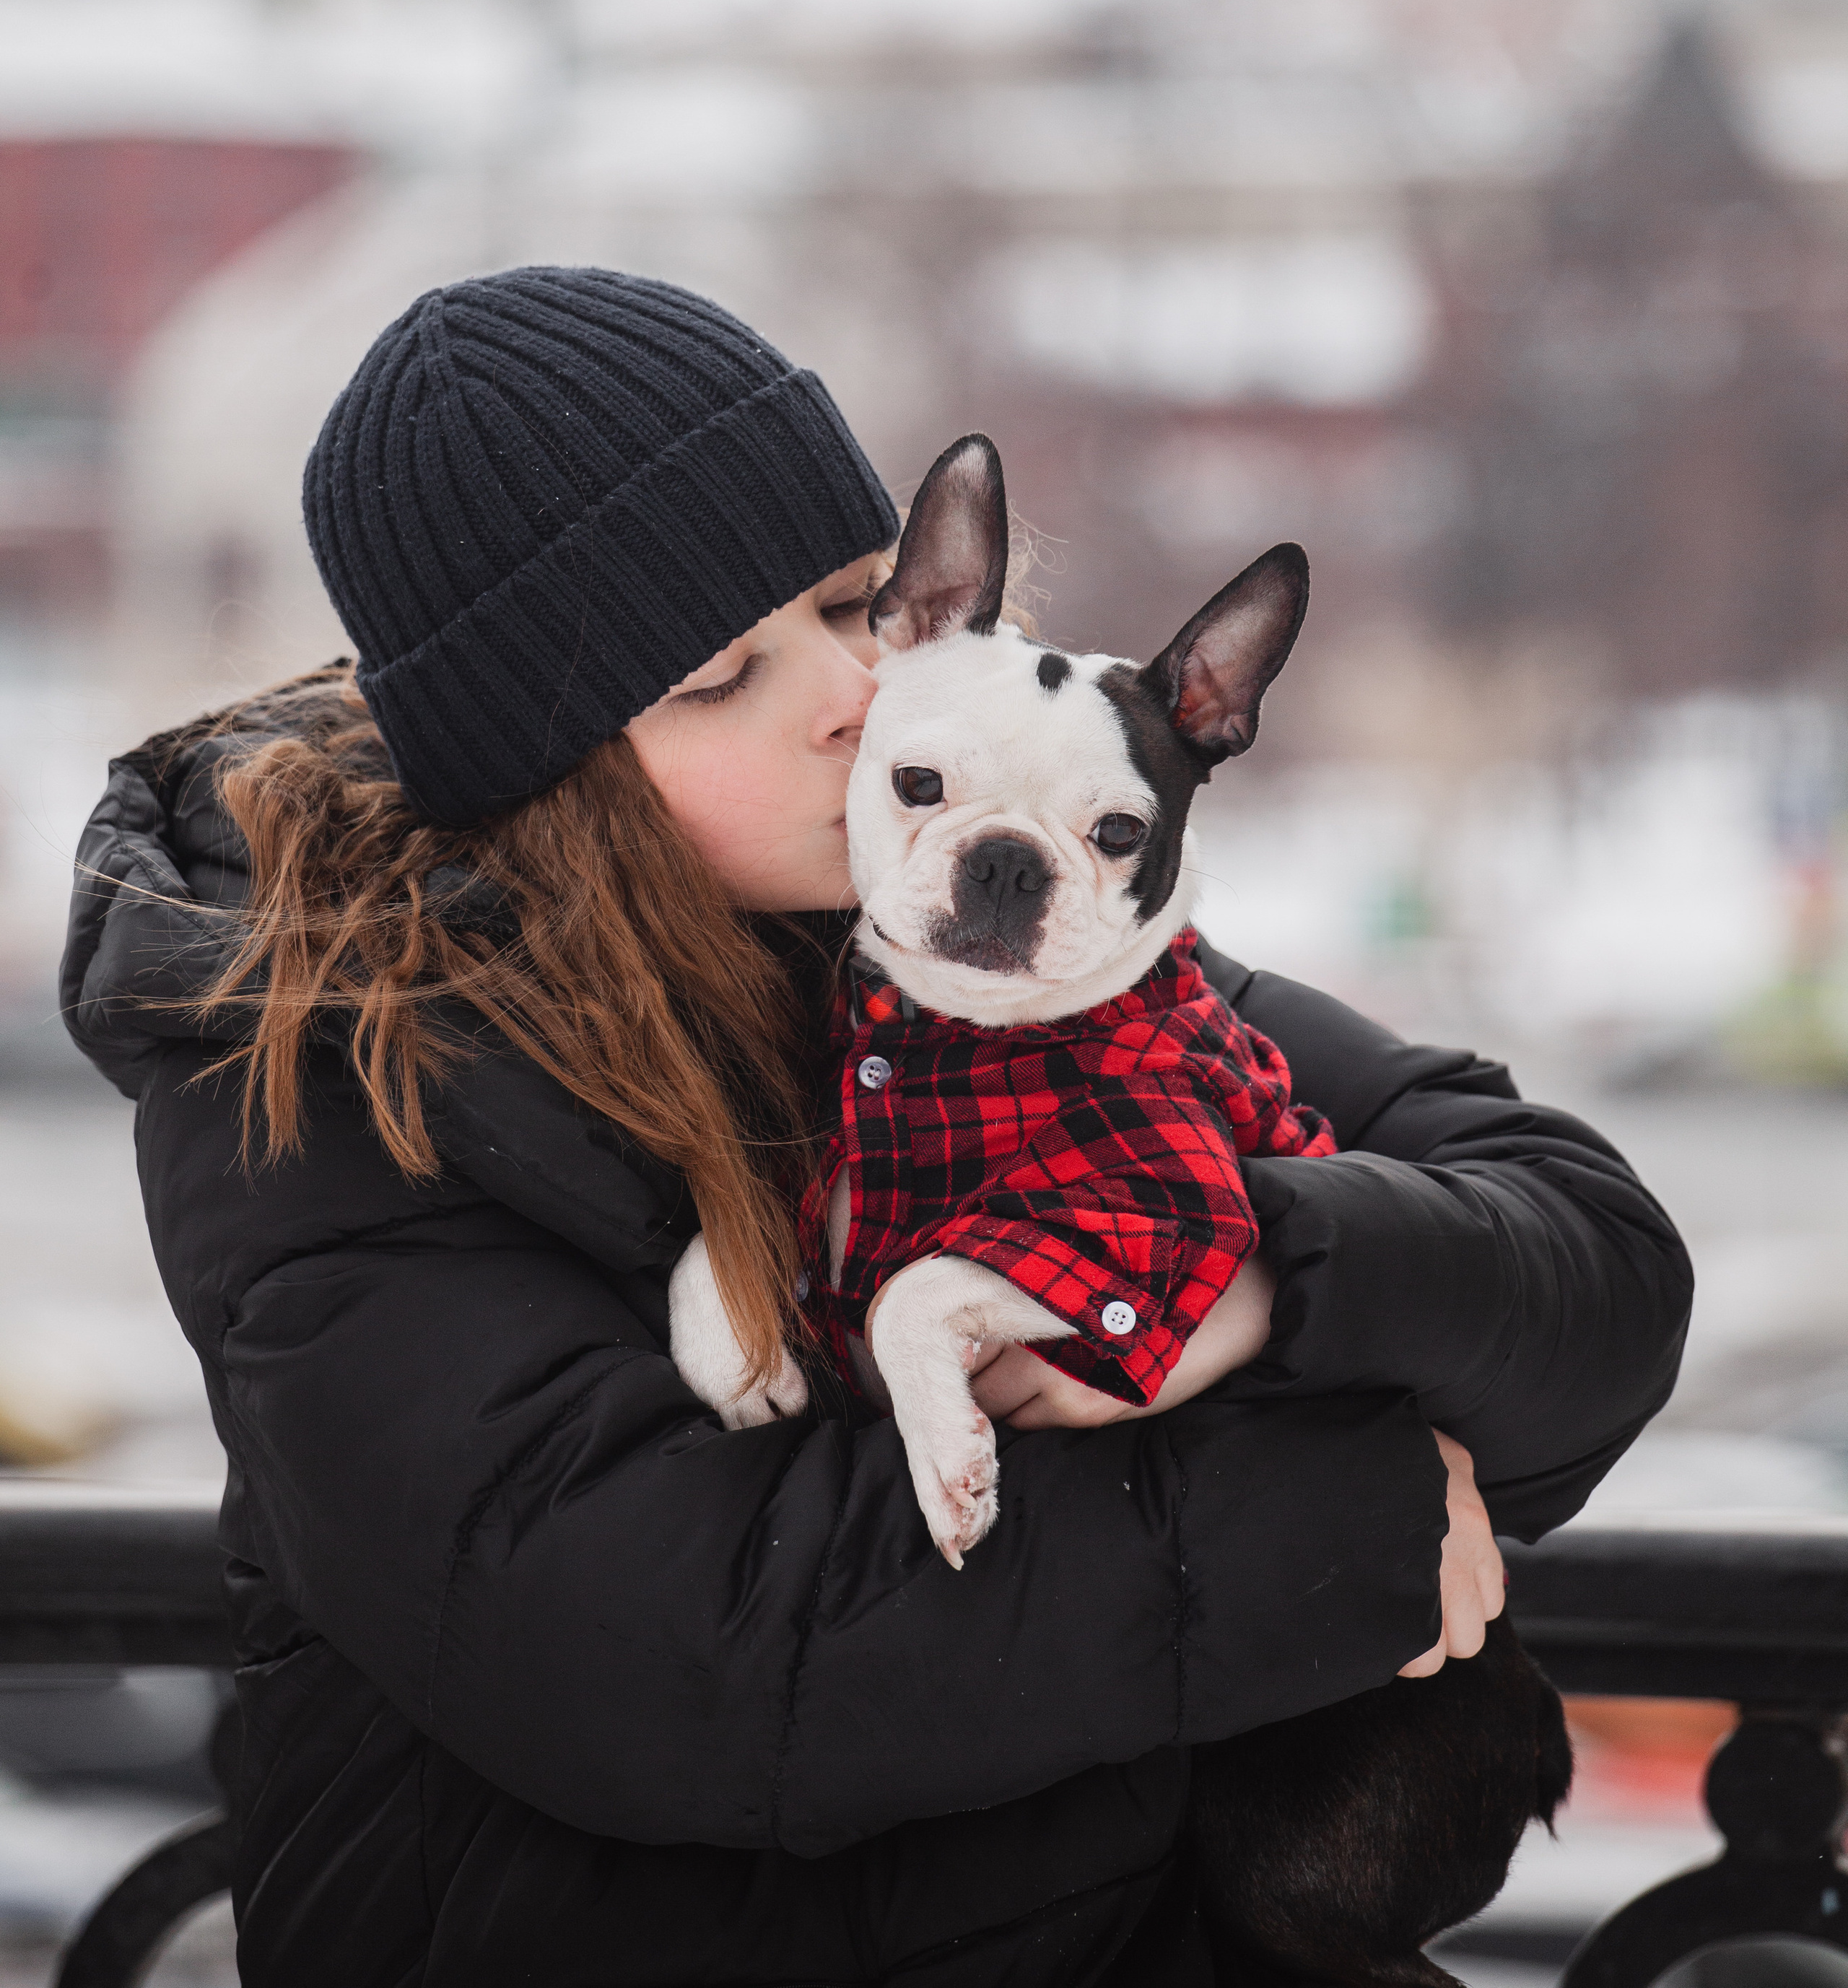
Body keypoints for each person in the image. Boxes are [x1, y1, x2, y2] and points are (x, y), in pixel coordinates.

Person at [63, 268, 1691, 1988]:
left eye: (857, 600)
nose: (855, 692)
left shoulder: (985, 948)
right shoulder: (328, 1065)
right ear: (542, 768)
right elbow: (685, 1659)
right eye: (716, 677)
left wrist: (1253, 1282)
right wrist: (1344, 1519)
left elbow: (1591, 1261)